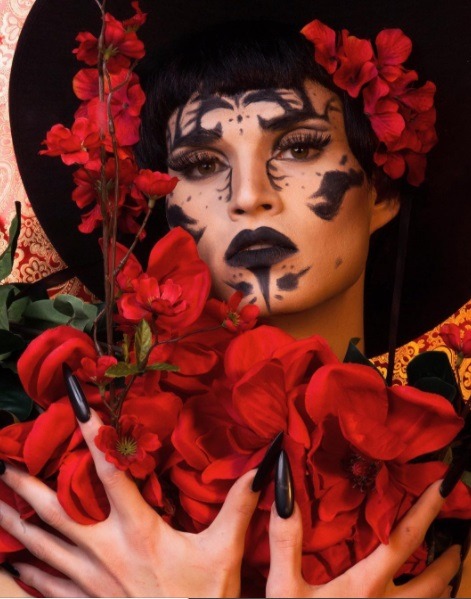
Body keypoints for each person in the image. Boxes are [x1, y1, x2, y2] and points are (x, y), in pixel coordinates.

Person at [1, 3, 470, 597]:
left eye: (299, 147)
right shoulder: (42, 521)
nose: (248, 195)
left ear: (381, 191)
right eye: (200, 163)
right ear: (158, 208)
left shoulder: (451, 520)